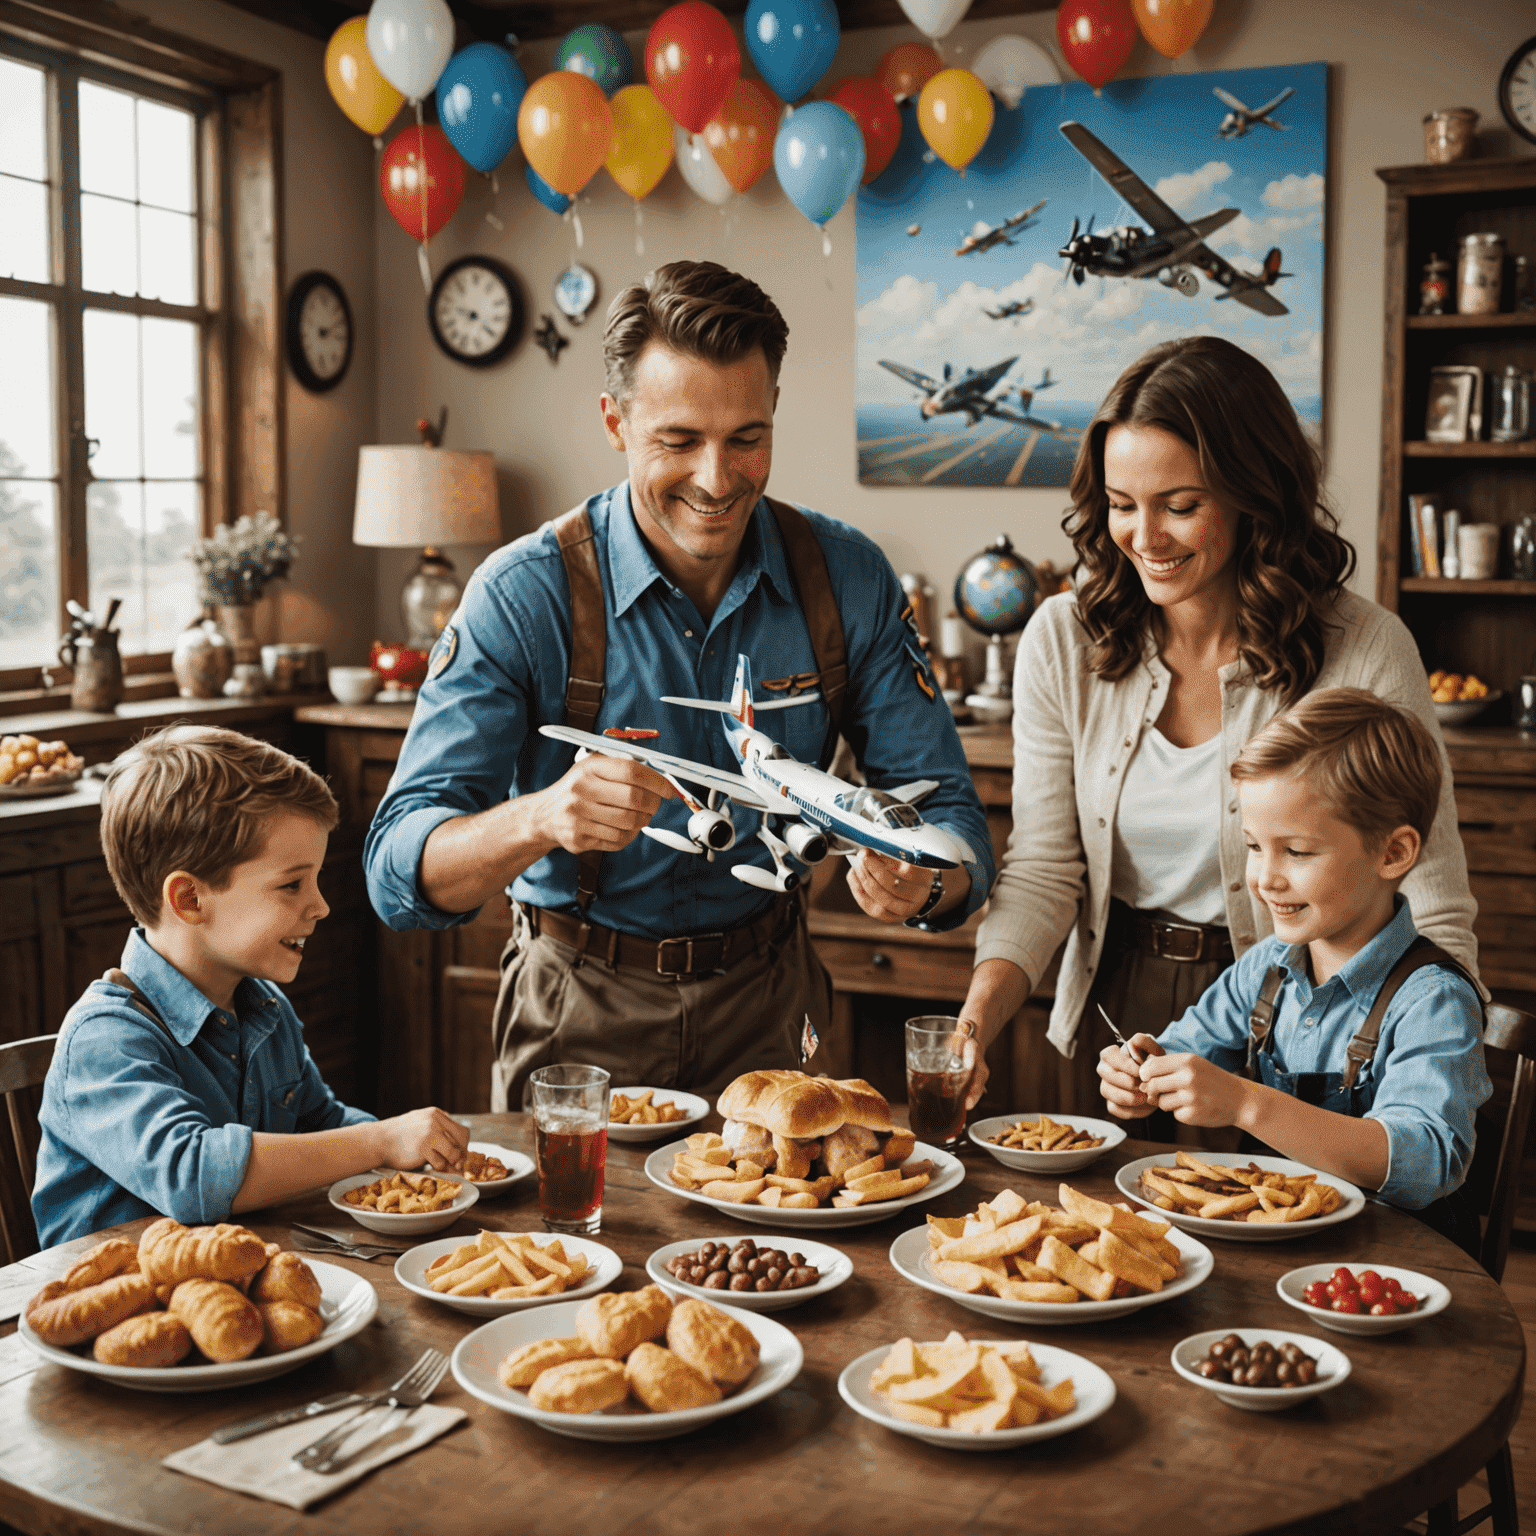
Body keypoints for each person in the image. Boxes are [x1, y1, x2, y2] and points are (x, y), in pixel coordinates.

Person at [365, 261, 993, 1109]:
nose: (716, 478)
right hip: (574, 1008)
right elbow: (396, 873)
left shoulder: (848, 579)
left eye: (746, 437)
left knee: (796, 1245)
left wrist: (926, 883)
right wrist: (543, 816)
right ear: (615, 422)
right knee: (570, 1244)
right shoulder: (524, 594)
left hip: (776, 1006)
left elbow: (957, 827)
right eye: (678, 440)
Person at [955, 336, 1479, 1118]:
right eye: (1122, 505)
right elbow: (1044, 868)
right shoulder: (1063, 637)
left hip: (1310, 1023)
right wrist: (976, 1021)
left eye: (1181, 505)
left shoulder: (1364, 647)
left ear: (1253, 494)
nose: (1145, 537)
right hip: (1121, 1019)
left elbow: (1428, 896)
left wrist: (1432, 1068)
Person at [32, 726, 468, 1247]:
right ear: (190, 899)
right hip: (115, 1310)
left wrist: (416, 1152)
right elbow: (194, 1174)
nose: (321, 905)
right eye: (292, 884)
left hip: (237, 1285)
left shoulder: (263, 1007)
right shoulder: (104, 1039)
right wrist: (380, 1141)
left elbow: (319, 1123)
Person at [1096, 689, 1490, 1245]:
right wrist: (1142, 1074)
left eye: (1297, 852)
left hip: (1391, 1269)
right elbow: (1183, 1052)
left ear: (1394, 853)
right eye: (1255, 846)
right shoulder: (1266, 969)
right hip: (1282, 1255)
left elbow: (1424, 1159)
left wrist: (1245, 1103)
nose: (1266, 878)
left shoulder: (1431, 1000)